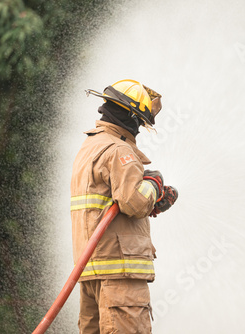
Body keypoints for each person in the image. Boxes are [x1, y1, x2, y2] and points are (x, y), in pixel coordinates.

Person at [71, 79, 179, 333]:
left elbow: (110, 204)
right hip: (120, 276)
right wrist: (153, 184)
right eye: (140, 122)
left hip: (93, 273)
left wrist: (151, 198)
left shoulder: (90, 146)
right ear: (131, 117)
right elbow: (135, 201)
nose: (139, 129)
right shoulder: (119, 150)